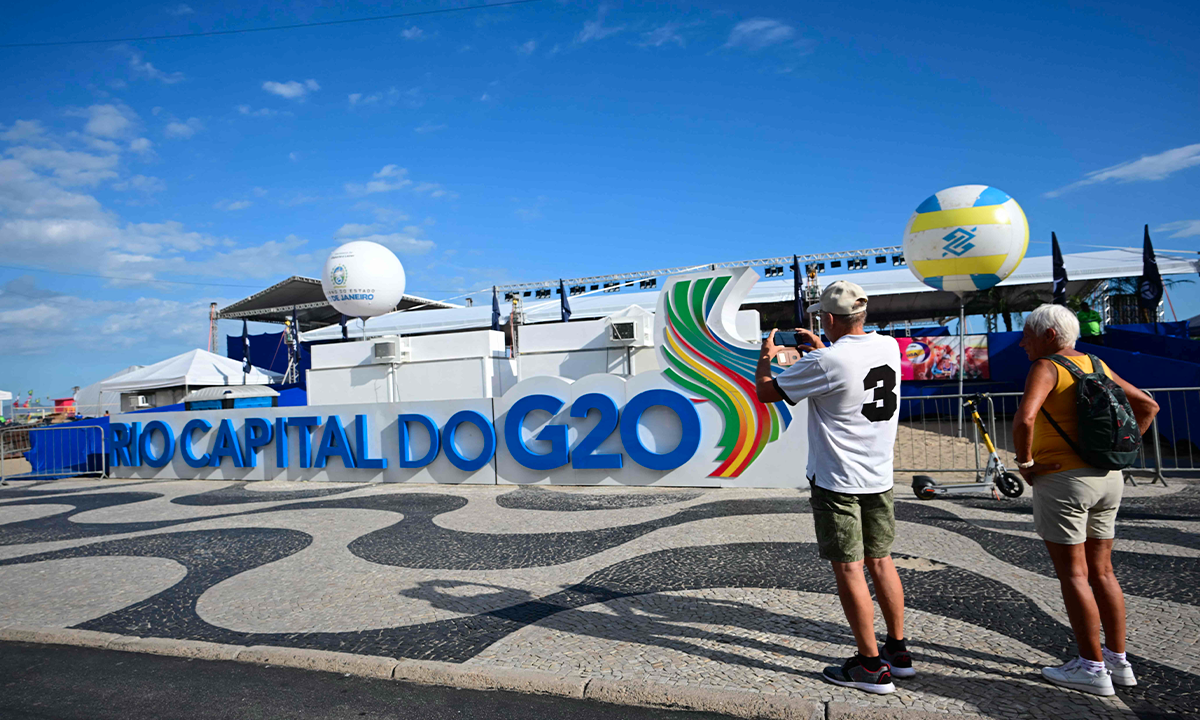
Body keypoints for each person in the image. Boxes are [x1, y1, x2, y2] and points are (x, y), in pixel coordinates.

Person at [755, 280, 908, 695]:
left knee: (849, 568)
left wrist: (766, 359)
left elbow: (766, 392)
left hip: (838, 480)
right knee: (882, 561)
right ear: (862, 314)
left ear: (826, 318)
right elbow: (847, 365)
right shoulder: (889, 347)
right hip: (880, 476)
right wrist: (822, 346)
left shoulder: (827, 362)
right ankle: (898, 650)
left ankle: (871, 667)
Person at [1013, 304, 1158, 696]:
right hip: (1108, 479)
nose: (1023, 341)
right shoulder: (1097, 364)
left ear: (1048, 336)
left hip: (1064, 481)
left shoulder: (1046, 366)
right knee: (1104, 572)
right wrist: (1122, 456)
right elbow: (1148, 405)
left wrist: (1025, 463)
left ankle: (1091, 669)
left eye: (1027, 334)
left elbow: (1025, 418)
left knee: (1074, 575)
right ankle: (1118, 661)